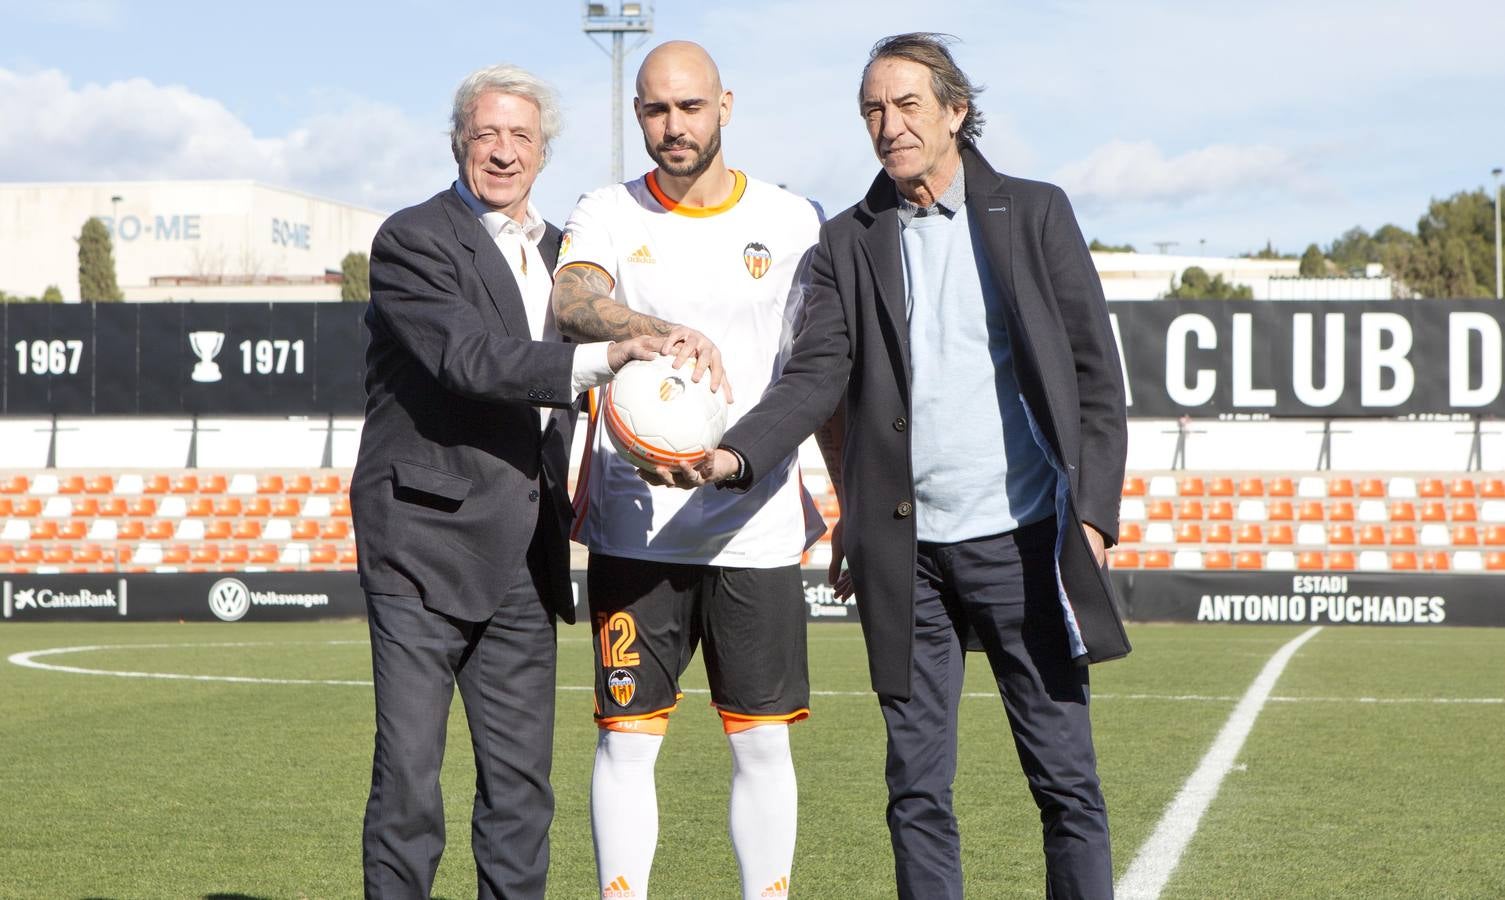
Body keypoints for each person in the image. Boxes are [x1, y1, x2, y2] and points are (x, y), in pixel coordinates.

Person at [696, 33, 1131, 900]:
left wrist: (1092, 514)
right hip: (908, 561)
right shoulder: (846, 241)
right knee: (916, 789)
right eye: (871, 109)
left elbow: (1094, 374)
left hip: (1026, 543)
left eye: (906, 106)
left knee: (1065, 785)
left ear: (956, 113)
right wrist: (737, 451)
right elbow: (816, 375)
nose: (887, 125)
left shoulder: (1036, 212)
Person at [350, 64, 659, 899]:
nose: (502, 150)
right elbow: (467, 360)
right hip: (422, 549)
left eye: (521, 135)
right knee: (412, 786)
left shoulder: (567, 257)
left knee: (522, 794)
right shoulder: (413, 239)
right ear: (458, 142)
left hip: (527, 558)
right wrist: (600, 357)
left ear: (544, 151)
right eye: (486, 133)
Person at [550, 40, 823, 900]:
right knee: (626, 741)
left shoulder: (790, 220)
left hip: (757, 521)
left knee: (762, 742)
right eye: (655, 110)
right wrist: (653, 329)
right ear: (637, 114)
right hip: (634, 524)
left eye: (690, 107)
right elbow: (569, 300)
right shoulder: (607, 211)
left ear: (726, 106)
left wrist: (839, 495)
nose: (673, 126)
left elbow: (823, 370)